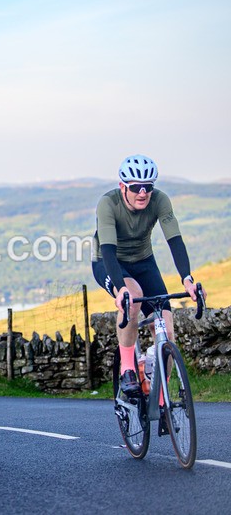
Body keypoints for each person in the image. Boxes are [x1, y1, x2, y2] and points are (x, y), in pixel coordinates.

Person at [92, 155, 205, 399]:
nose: (143, 193)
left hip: (144, 262)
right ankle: (127, 369)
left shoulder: (160, 200)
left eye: (148, 186)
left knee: (166, 330)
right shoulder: (108, 203)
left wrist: (187, 279)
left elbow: (174, 239)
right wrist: (120, 288)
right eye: (136, 187)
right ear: (123, 186)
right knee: (133, 298)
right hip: (109, 261)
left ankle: (161, 399)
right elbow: (108, 250)